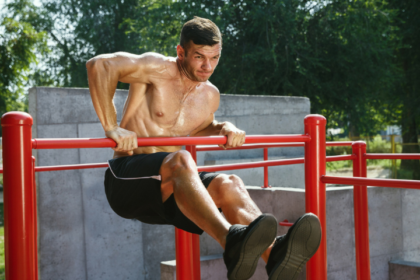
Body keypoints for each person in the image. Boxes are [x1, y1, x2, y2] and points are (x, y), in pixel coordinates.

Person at [86, 16, 321, 280]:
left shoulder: (210, 95)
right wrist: (111, 127)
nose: (207, 66)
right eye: (199, 57)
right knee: (183, 159)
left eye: (214, 58)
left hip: (170, 189)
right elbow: (100, 65)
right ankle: (230, 240)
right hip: (127, 181)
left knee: (229, 183)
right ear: (181, 52)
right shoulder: (157, 68)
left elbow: (202, 127)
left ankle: (275, 254)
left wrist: (224, 128)